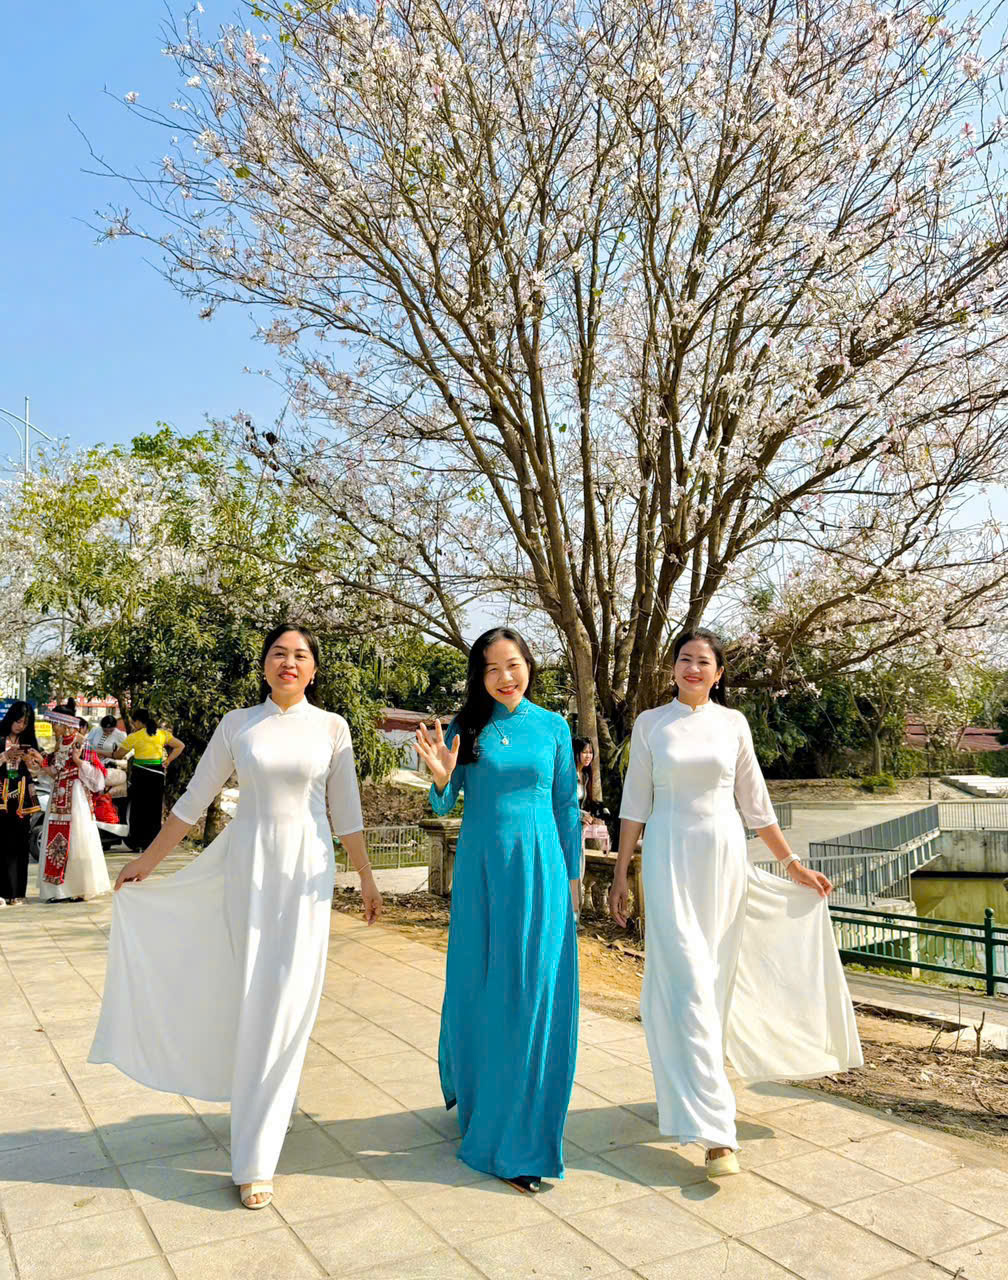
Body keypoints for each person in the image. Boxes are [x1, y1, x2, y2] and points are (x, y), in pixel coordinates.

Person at [89, 623, 382, 1212]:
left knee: (293, 1000)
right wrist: (146, 862)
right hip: (248, 870)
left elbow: (345, 810)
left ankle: (270, 1112)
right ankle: (254, 1157)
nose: (288, 662)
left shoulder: (332, 727)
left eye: (300, 655)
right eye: (278, 653)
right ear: (264, 664)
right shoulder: (238, 724)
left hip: (307, 874)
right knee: (256, 999)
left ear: (313, 669)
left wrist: (367, 876)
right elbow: (192, 802)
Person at [608, 629, 862, 1178]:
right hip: (668, 858)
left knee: (713, 990)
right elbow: (635, 804)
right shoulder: (651, 723)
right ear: (672, 668)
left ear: (719, 673)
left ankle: (692, 1097)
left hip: (724, 861)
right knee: (688, 985)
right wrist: (622, 872)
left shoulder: (734, 724)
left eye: (704, 661)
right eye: (684, 659)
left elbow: (756, 804)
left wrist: (791, 864)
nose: (693, 668)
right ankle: (719, 1133)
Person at [414, 627, 581, 1194]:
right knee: (482, 988)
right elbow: (444, 800)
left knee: (532, 993)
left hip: (541, 871)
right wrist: (441, 778)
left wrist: (574, 881)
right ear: (478, 677)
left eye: (512, 664)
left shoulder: (554, 727)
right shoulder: (467, 729)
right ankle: (483, 1101)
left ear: (528, 665)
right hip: (483, 873)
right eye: (491, 669)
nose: (505, 677)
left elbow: (566, 807)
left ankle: (523, 1131)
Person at [37, 713, 111, 902]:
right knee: (56, 839)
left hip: (76, 796)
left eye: (55, 723)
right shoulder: (59, 744)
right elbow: (56, 772)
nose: (53, 727)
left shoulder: (82, 743)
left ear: (65, 724)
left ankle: (79, 888)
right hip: (58, 795)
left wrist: (78, 761)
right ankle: (58, 890)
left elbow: (98, 776)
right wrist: (40, 764)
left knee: (77, 838)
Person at [115, 710, 184, 851]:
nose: (133, 725)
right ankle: (152, 843)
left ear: (138, 722)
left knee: (138, 808)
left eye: (134, 722)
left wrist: (108, 752)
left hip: (140, 775)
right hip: (157, 775)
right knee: (154, 808)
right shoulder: (162, 734)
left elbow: (118, 755)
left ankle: (136, 842)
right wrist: (168, 760)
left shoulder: (134, 736)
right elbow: (180, 745)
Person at [0, 701, 45, 905]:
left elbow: (37, 771)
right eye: (18, 721)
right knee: (4, 842)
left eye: (25, 723)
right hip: (2, 794)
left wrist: (31, 761)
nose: (20, 726)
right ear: (11, 718)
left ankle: (17, 892)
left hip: (22, 796)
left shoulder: (28, 741)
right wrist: (5, 756)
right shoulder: (1, 738)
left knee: (20, 843)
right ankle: (3, 891)